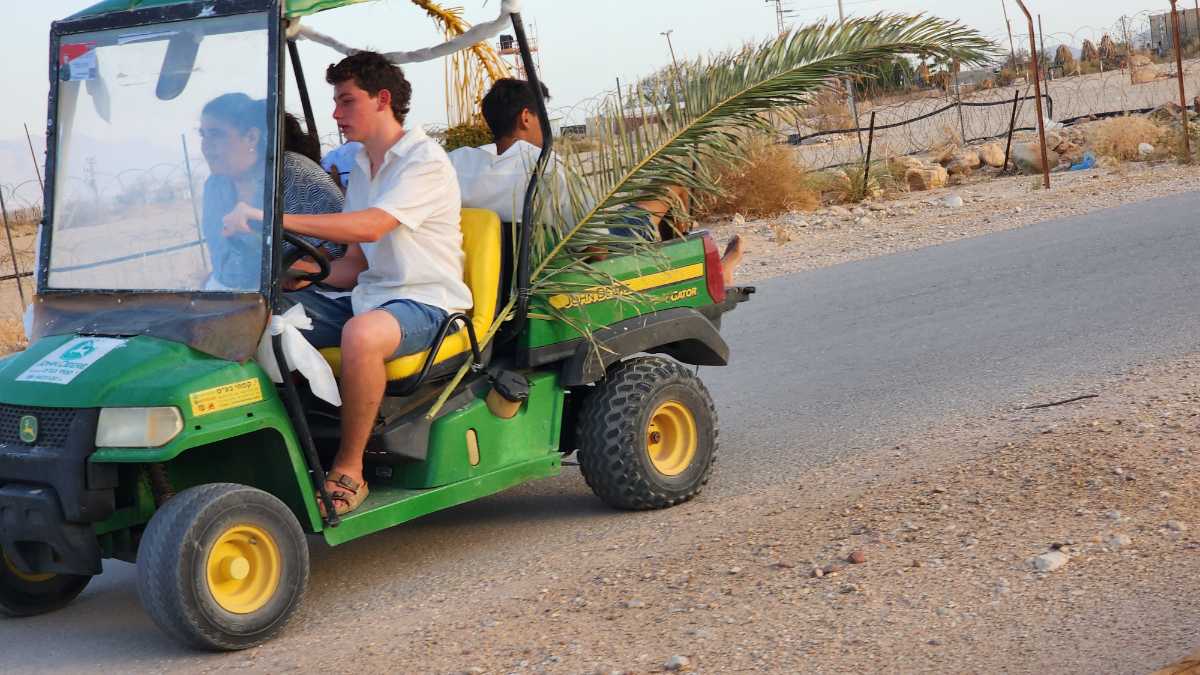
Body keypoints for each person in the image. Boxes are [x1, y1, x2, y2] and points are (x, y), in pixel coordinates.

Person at [222, 52, 470, 517]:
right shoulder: (362, 163)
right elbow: (354, 265)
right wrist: (297, 276)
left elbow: (371, 227)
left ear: (383, 99)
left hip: (426, 302)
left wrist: (271, 217)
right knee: (254, 315)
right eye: (336, 102)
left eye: (347, 101)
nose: (336, 114)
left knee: (362, 334)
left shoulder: (424, 161)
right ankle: (267, 453)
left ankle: (349, 468)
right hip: (367, 296)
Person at [448, 79, 744, 284]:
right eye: (543, 117)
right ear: (526, 117)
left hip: (505, 275)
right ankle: (705, 274)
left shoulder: (457, 164)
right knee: (673, 182)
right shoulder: (545, 167)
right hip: (577, 264)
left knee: (632, 208)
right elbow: (597, 247)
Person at [199, 96, 344, 289]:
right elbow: (223, 257)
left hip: (302, 292)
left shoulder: (294, 172)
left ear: (251, 137)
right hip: (238, 294)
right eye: (203, 135)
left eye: (216, 134)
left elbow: (344, 241)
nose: (205, 146)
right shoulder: (215, 186)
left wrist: (302, 269)